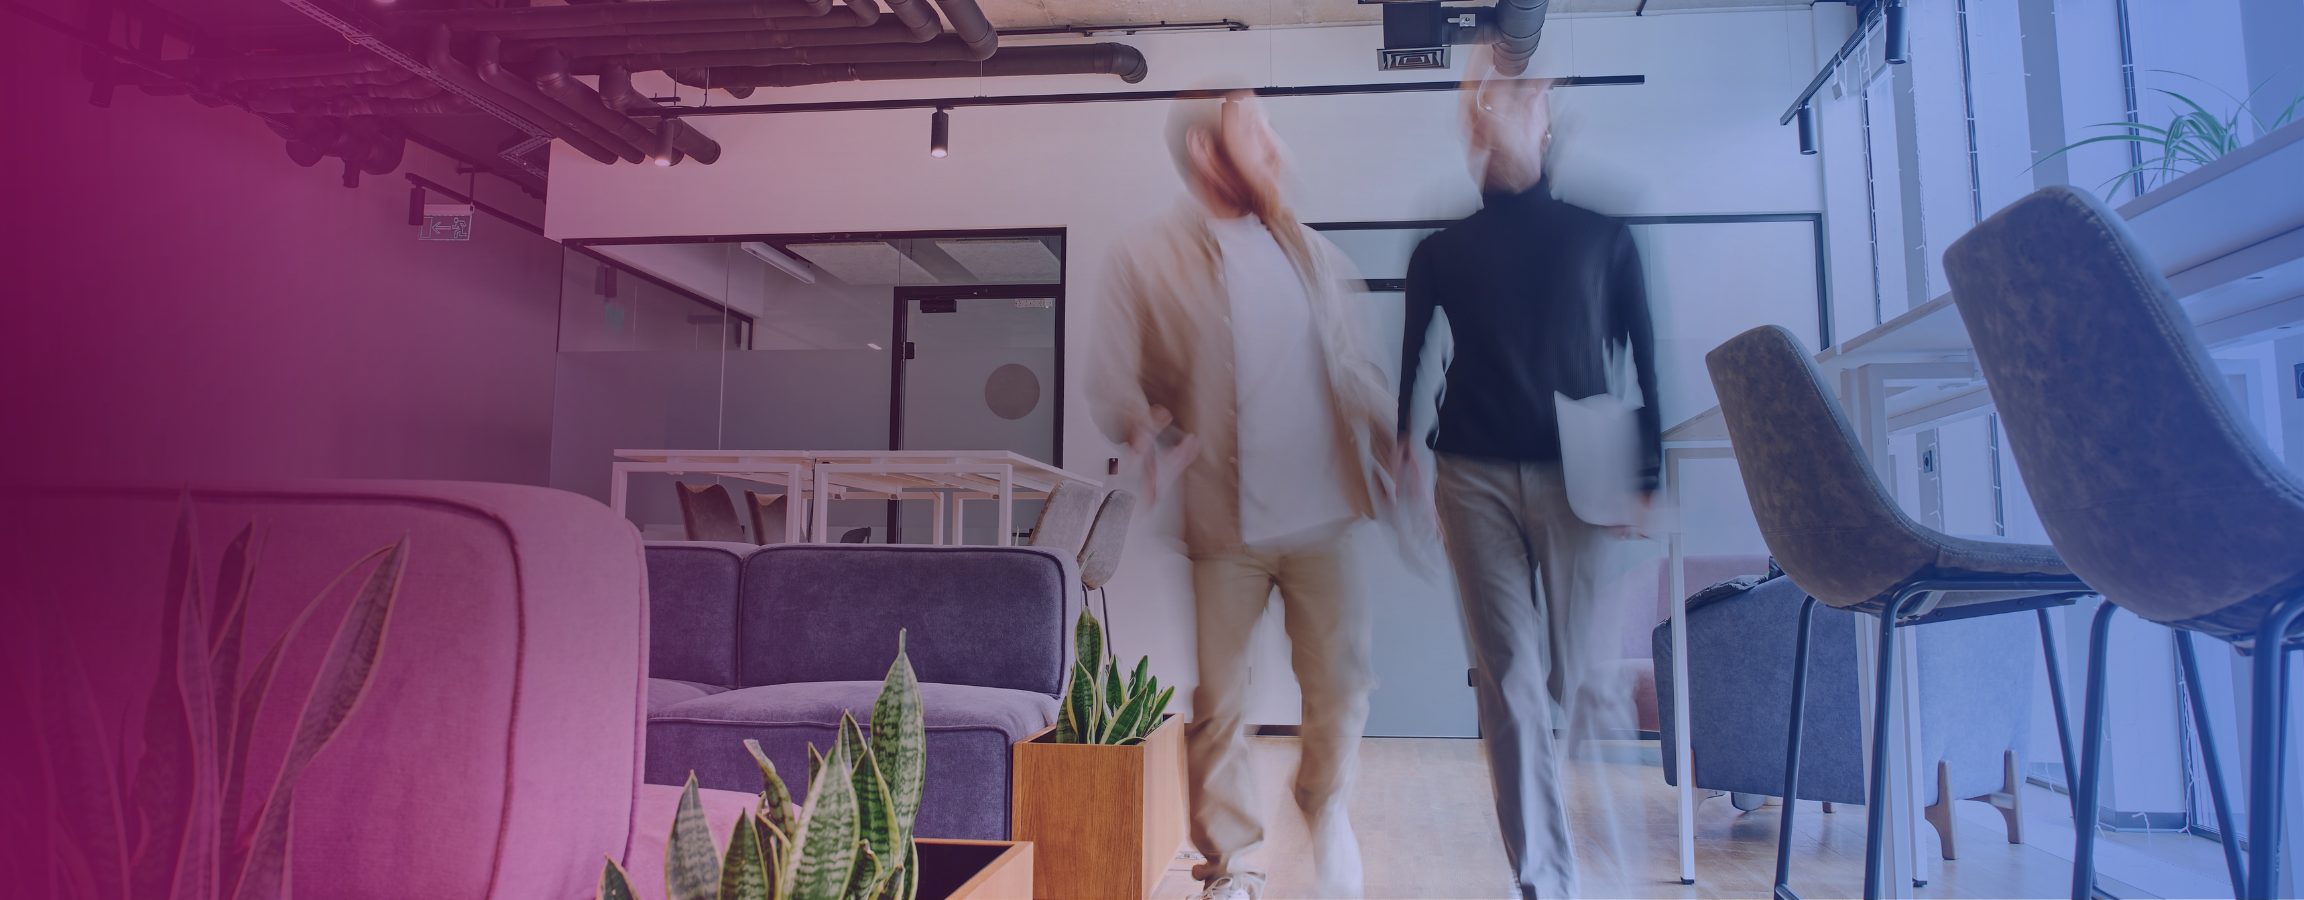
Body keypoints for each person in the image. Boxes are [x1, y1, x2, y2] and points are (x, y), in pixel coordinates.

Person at [1093, 90, 1398, 900]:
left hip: (1324, 515)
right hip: (1223, 523)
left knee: (1343, 685)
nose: (1273, 144)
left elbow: (1351, 363)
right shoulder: (1145, 258)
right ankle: (1229, 868)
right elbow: (1116, 376)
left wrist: (1391, 435)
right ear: (1207, 149)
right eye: (1254, 128)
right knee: (1221, 705)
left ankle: (1323, 801)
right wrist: (1141, 429)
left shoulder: (1312, 253)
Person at [1395, 75, 1660, 900]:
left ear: (1547, 124)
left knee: (1573, 681)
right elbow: (1414, 359)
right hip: (1471, 477)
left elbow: (1643, 356)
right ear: (1474, 133)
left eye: (1524, 99)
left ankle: (1593, 839)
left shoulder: (1603, 237)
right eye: (1493, 103)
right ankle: (1545, 880)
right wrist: (1405, 451)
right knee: (1508, 681)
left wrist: (1647, 472)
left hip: (1578, 474)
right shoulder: (1439, 251)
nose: (1505, 108)